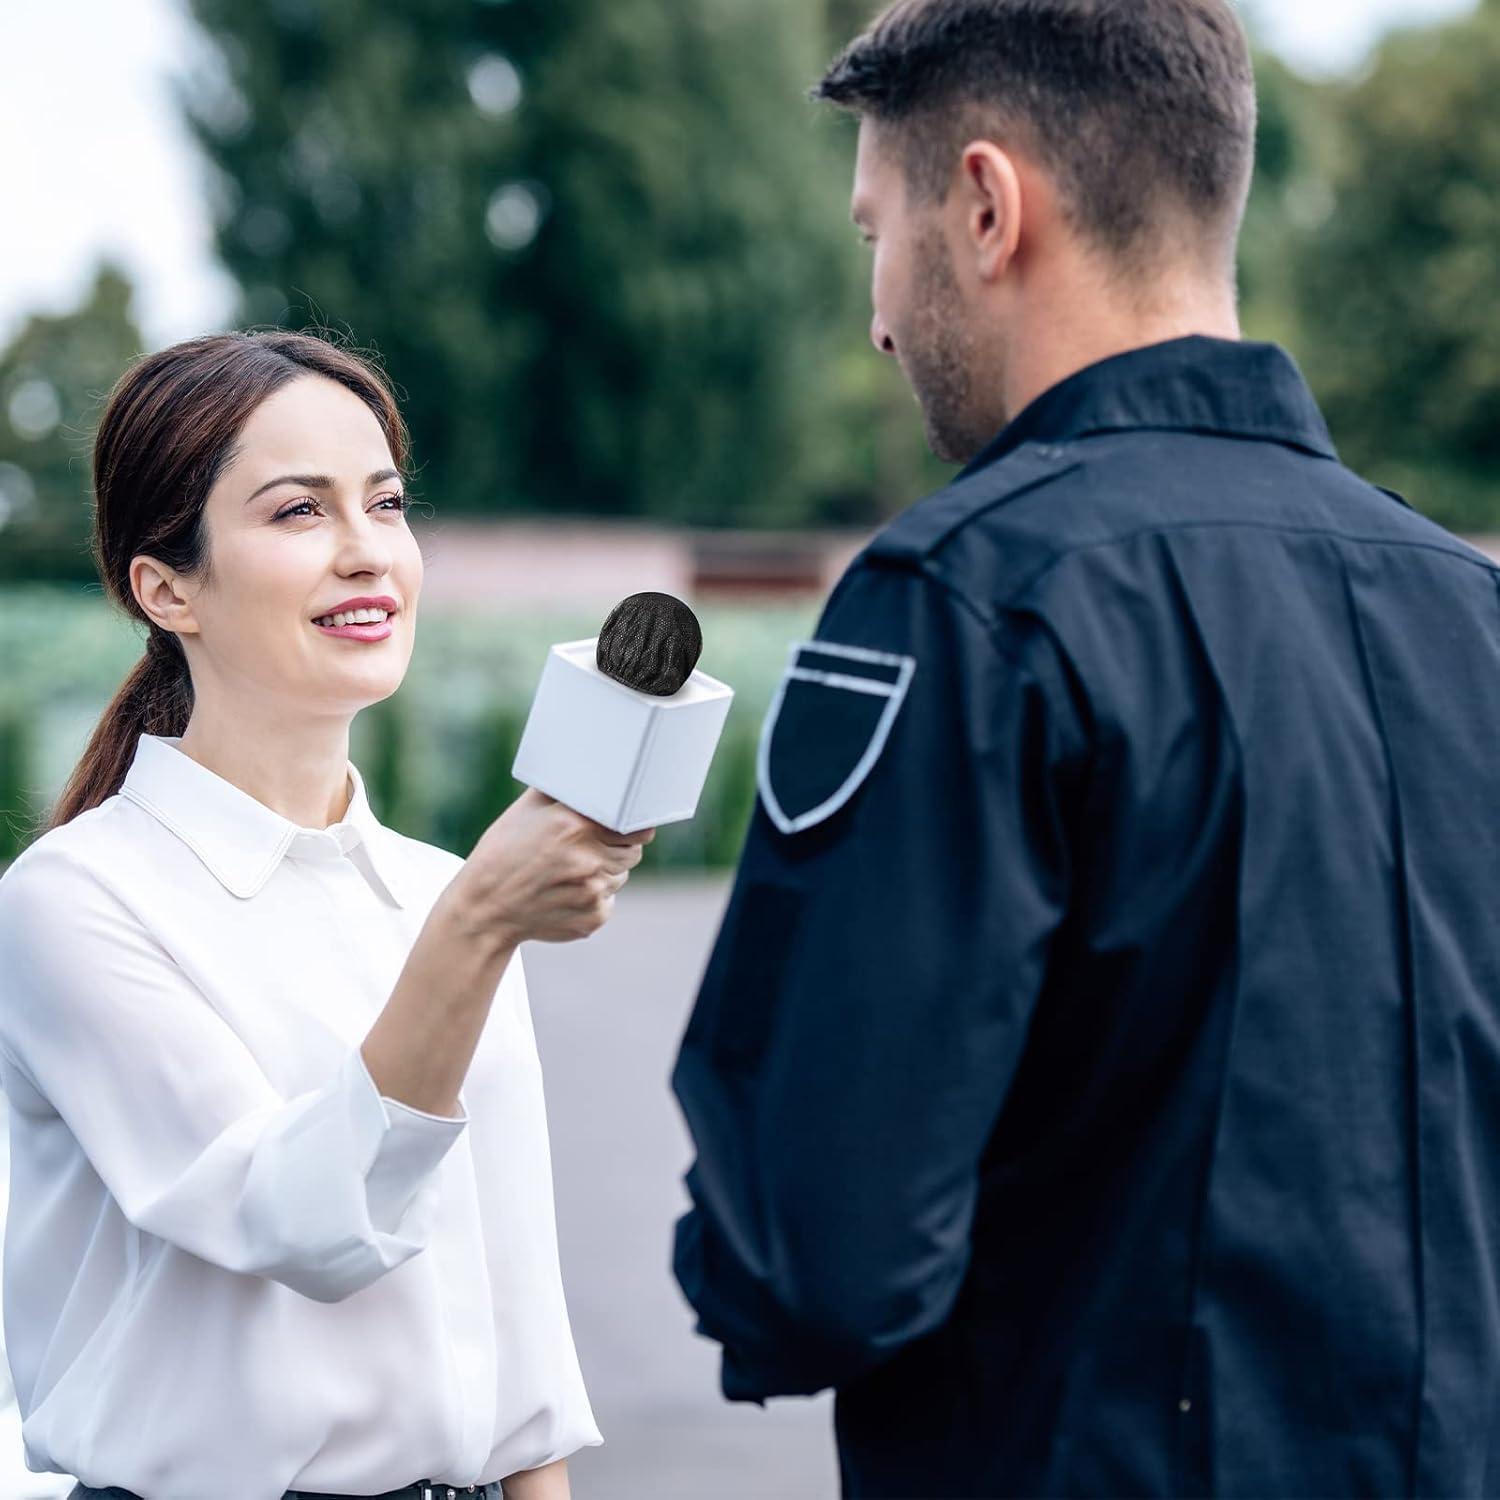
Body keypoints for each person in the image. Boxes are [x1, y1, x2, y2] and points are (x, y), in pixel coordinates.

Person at [669, 1, 1500, 1495]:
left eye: (878, 228)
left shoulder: (967, 598)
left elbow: (819, 1258)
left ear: (986, 207)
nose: (876, 307)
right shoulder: (1476, 613)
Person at [0, 331, 654, 1500]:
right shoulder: (75, 902)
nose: (367, 554)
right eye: (299, 513)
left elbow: (518, 1336)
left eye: (387, 504)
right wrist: (479, 924)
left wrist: (470, 912)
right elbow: (298, 1219)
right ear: (166, 586)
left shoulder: (436, 883)